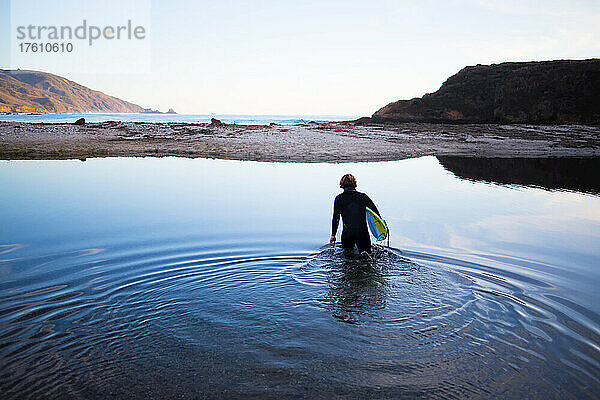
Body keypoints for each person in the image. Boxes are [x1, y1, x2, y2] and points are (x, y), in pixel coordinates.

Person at [330, 174, 381, 254]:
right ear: (354, 183)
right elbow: (376, 214)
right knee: (366, 258)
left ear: (342, 184)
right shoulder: (363, 197)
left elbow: (336, 218)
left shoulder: (339, 199)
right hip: (362, 233)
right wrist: (382, 229)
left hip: (347, 234)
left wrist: (333, 235)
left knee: (347, 260)